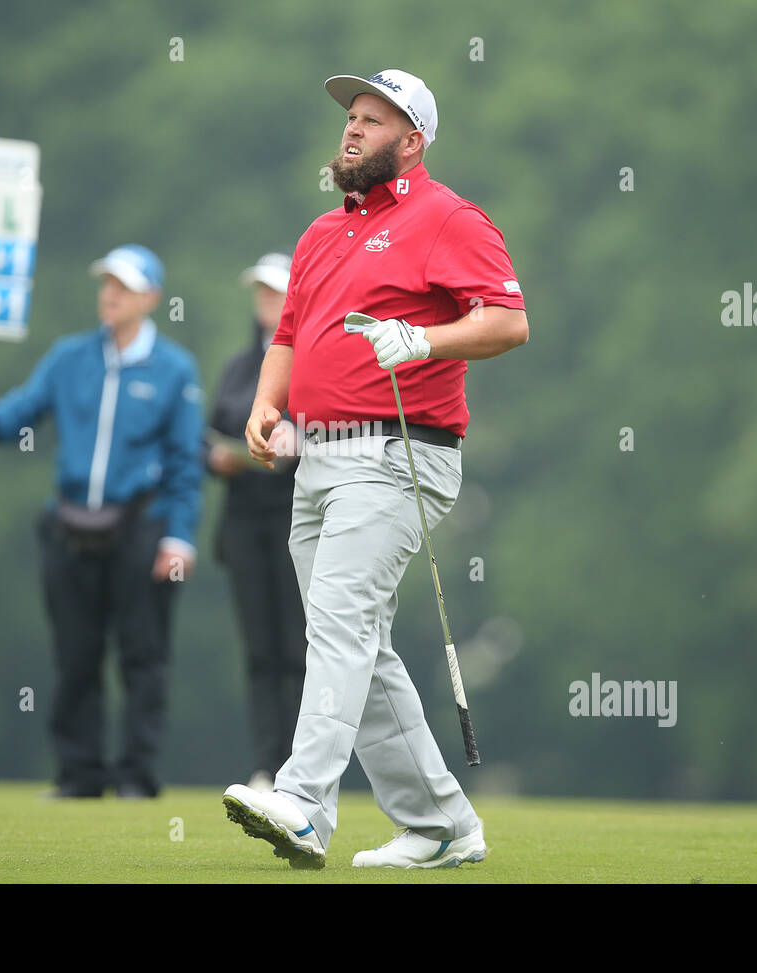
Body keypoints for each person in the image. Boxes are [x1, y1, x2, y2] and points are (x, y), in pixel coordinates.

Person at [221, 69, 529, 868]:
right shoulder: (323, 232)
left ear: (412, 140)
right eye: (351, 117)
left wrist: (424, 339)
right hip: (316, 458)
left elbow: (506, 321)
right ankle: (439, 823)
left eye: (374, 119)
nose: (352, 130)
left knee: (341, 620)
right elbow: (288, 333)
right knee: (357, 639)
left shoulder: (448, 218)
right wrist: (267, 404)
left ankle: (303, 802)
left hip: (399, 454)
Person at [0, 244, 203, 799]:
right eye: (107, 283)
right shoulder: (70, 357)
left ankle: (135, 775)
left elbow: (186, 462)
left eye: (125, 287)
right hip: (70, 527)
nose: (111, 294)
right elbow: (20, 413)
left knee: (142, 657)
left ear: (151, 298)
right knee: (75, 655)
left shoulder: (174, 369)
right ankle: (79, 774)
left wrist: (179, 535)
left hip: (143, 529)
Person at [207, 253, 306, 793]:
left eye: (276, 293)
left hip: (295, 519)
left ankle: (299, 766)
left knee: (296, 648)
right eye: (261, 293)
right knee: (259, 651)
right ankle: (268, 765)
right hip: (244, 523)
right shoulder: (237, 368)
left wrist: (291, 443)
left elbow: (315, 434)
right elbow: (208, 436)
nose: (267, 302)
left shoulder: (309, 360)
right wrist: (219, 458)